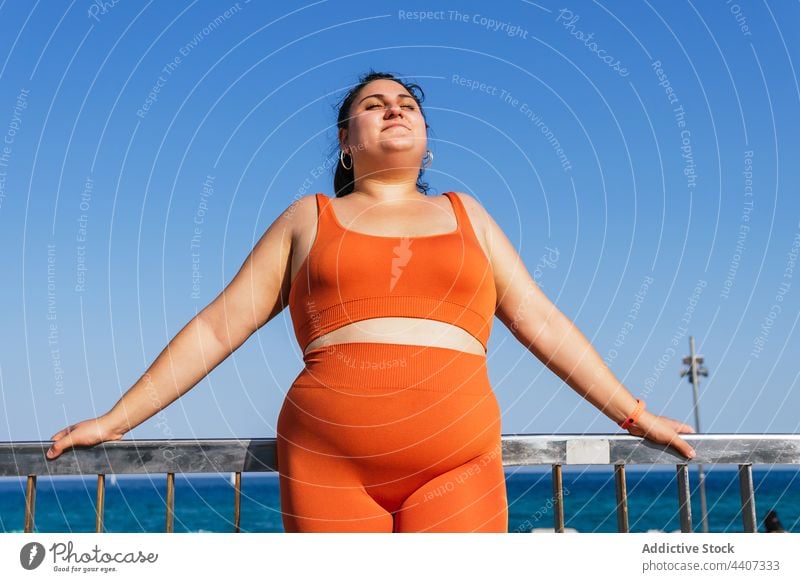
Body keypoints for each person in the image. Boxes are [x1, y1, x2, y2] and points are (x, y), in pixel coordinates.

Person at [47, 69, 696, 533]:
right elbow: (219, 327)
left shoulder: (468, 214)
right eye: (373, 103)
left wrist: (636, 415)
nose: (394, 107)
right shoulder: (309, 218)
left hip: (458, 462)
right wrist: (116, 420)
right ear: (344, 141)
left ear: (425, 138)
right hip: (329, 463)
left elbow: (542, 322)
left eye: (407, 103)